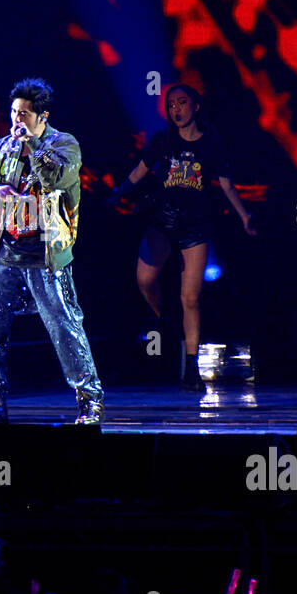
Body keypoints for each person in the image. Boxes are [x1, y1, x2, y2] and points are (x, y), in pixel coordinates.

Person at [0, 78, 102, 425]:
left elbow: (55, 179)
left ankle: (89, 401)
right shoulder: (2, 148)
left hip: (47, 249)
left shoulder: (65, 145)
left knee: (63, 324)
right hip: (6, 247)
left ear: (42, 116)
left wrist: (35, 145)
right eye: (13, 112)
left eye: (24, 114)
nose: (16, 120)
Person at [108, 83, 257, 390]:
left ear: (196, 106)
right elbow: (140, 171)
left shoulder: (212, 143)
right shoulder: (163, 140)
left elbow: (227, 186)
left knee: (190, 298)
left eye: (182, 102)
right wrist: (118, 193)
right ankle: (160, 316)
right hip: (162, 221)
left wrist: (244, 216)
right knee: (145, 280)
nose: (176, 109)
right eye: (171, 104)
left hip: (196, 227)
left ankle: (192, 369)